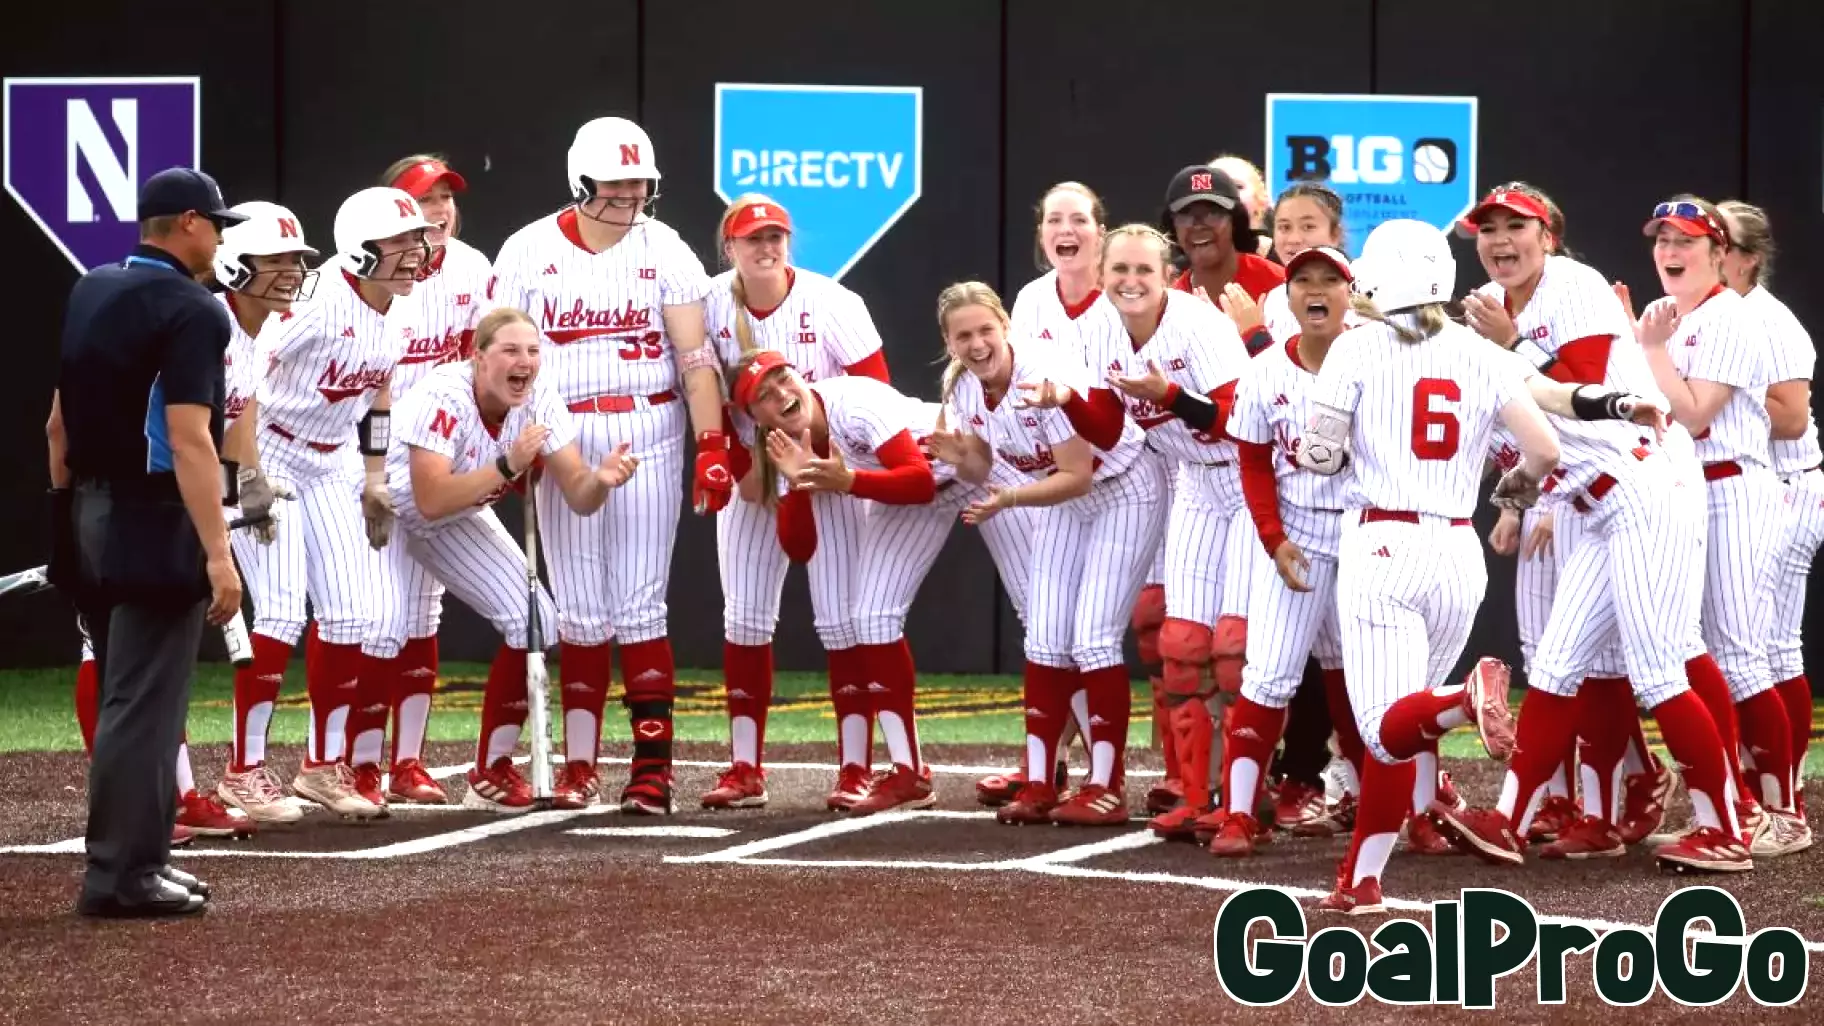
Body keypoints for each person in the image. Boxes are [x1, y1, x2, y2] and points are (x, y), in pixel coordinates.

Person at [1290, 219, 1560, 914]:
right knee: (1398, 738)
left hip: (1384, 544)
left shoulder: (1355, 349)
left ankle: (1464, 699)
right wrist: (1507, 501)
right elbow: (1544, 450)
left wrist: (1320, 451)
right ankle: (1364, 880)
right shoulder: (1482, 354)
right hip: (1456, 551)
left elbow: (1319, 456)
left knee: (1382, 725)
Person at [488, 116, 725, 814]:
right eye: (615, 182)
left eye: (638, 182)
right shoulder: (529, 250)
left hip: (648, 423)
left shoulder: (667, 248)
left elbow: (694, 357)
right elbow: (499, 352)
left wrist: (711, 444)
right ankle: (581, 767)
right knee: (583, 612)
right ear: (581, 179)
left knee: (641, 601)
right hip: (561, 426)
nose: (628, 194)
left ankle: (652, 769)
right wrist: (509, 438)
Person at [46, 166, 248, 917]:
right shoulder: (194, 308)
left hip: (90, 516)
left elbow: (57, 425)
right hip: (153, 520)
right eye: (218, 223)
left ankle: (143, 861)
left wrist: (60, 518)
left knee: (134, 698)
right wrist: (219, 552)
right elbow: (191, 439)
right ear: (190, 223)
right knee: (145, 705)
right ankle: (121, 876)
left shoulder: (91, 287)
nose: (221, 237)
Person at [1456, 183, 1676, 850]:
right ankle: (1539, 811)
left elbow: (1578, 391)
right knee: (1555, 661)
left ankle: (1729, 811)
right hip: (1575, 489)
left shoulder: (1574, 285)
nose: (1498, 240)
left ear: (1547, 235)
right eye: (1486, 228)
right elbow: (1513, 424)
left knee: (1671, 666)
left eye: (1514, 227)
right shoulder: (1488, 307)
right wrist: (1520, 501)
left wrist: (1513, 338)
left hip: (1636, 477)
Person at [725, 347, 1036, 813]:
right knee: (871, 619)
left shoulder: (854, 400)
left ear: (800, 374)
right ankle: (911, 774)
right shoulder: (784, 447)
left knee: (1043, 618)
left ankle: (1060, 769)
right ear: (754, 417)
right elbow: (800, 549)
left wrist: (846, 481)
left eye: (783, 378)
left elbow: (916, 479)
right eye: (764, 396)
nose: (782, 395)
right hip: (918, 498)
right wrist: (802, 484)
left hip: (983, 470)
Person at [230, 186, 432, 820]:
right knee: (283, 612)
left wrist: (374, 476)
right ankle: (244, 771)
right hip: (268, 450)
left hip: (333, 456)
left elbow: (378, 394)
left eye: (415, 240)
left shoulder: (400, 308)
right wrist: (247, 471)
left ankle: (321, 765)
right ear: (360, 248)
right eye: (398, 242)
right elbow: (245, 378)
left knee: (358, 613)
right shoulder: (315, 303)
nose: (413, 252)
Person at [385, 307, 638, 810]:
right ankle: (358, 768)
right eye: (510, 351)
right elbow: (429, 498)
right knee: (377, 628)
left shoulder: (540, 397)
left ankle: (491, 768)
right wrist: (507, 464)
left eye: (533, 351)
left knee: (536, 618)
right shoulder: (443, 393)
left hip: (455, 517)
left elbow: (579, 494)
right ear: (478, 358)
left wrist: (602, 481)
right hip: (388, 512)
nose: (525, 362)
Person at [940, 280, 1168, 826]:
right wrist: (964, 461)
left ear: (1005, 327)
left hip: (1124, 487)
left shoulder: (1039, 376)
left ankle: (1107, 786)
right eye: (963, 335)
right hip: (1062, 496)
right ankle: (1042, 780)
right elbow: (980, 465)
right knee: (1043, 636)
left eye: (985, 330)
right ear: (949, 343)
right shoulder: (963, 390)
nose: (977, 344)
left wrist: (1009, 498)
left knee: (1092, 638)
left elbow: (1078, 476)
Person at [699, 195, 893, 811]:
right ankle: (745, 767)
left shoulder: (833, 302)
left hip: (829, 465)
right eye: (753, 238)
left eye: (776, 236)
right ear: (729, 248)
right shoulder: (709, 304)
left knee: (841, 621)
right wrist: (732, 465)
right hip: (755, 467)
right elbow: (702, 390)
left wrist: (822, 465)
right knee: (745, 619)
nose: (767, 247)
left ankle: (857, 766)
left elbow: (876, 395)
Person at [1630, 196, 1800, 850]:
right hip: (1693, 488)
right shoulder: (1681, 316)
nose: (1671, 252)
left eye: (1688, 242)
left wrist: (1650, 350)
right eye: (1662, 240)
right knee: (1697, 651)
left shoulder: (1729, 315)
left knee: (1739, 654)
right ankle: (1732, 804)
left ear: (1721, 255)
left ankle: (1779, 813)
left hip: (1733, 486)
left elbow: (1697, 414)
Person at [1071, 225, 1250, 843]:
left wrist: (1171, 395)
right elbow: (1103, 423)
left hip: (1252, 478)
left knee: (1234, 653)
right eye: (1119, 269)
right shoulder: (1096, 329)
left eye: (1144, 270)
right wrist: (1063, 399)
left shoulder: (1199, 327)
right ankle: (1197, 795)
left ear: (1166, 272)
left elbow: (1240, 422)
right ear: (1101, 274)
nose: (1130, 281)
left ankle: (1249, 801)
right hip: (1195, 482)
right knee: (1180, 646)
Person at [345, 154, 495, 808]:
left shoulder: (471, 268)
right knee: (374, 619)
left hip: (432, 457)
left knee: (419, 613)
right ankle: (356, 765)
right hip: (366, 459)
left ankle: (407, 761)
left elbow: (481, 365)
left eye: (444, 199)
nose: (439, 211)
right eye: (424, 199)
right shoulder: (369, 274)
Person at [979, 181, 1105, 808]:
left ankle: (1187, 778)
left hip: (1135, 473)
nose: (1067, 230)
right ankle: (1048, 765)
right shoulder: (1029, 300)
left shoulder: (1126, 290)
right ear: (1040, 234)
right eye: (1054, 218)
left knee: (1162, 633)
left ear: (1099, 231)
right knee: (1048, 629)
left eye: (1079, 219)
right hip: (1056, 478)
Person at [1719, 200, 1819, 819]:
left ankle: (1783, 802)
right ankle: (1762, 792)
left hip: (1785, 485)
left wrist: (1717, 399)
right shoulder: (1709, 314)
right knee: (1753, 649)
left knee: (1771, 650)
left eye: (1719, 241)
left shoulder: (1768, 320)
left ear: (1749, 259)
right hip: (1754, 488)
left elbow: (1791, 417)